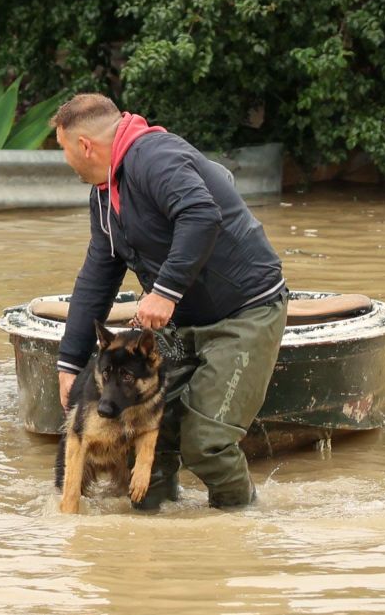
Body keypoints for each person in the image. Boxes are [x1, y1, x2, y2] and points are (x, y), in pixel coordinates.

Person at [52, 93, 287, 509]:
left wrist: (164, 291)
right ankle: (153, 542)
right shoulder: (105, 196)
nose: (67, 162)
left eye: (64, 149)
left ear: (84, 145)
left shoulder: (155, 157)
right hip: (180, 321)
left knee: (208, 443)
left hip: (243, 312)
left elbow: (200, 214)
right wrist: (70, 362)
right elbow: (98, 274)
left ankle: (240, 524)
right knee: (149, 435)